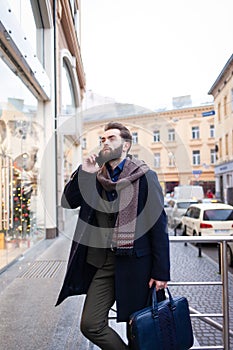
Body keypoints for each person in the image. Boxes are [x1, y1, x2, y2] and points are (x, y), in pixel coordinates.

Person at [56, 122, 170, 349]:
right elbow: (67, 202)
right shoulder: (94, 176)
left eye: (111, 138)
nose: (105, 142)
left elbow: (159, 225)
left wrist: (161, 271)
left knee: (138, 329)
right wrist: (84, 173)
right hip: (103, 264)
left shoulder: (145, 176)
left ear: (126, 145)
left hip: (137, 265)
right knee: (90, 324)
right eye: (103, 139)